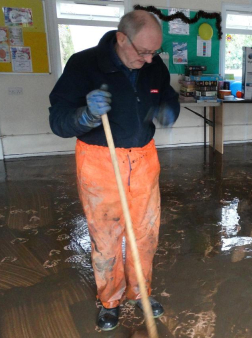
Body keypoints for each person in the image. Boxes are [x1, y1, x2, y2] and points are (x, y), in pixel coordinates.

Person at [49, 10, 180, 330]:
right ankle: (110, 299)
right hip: (100, 160)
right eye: (143, 52)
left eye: (155, 52)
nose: (149, 60)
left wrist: (167, 110)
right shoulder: (84, 65)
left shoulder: (154, 66)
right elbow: (58, 121)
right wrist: (85, 115)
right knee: (106, 238)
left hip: (144, 159)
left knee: (145, 235)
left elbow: (169, 96)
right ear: (122, 39)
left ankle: (140, 292)